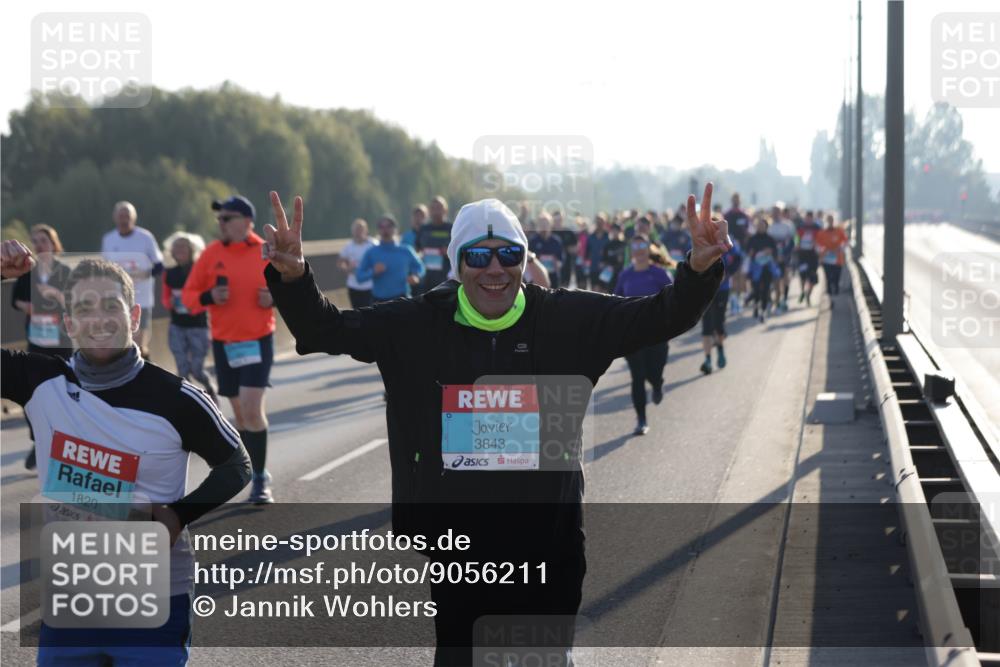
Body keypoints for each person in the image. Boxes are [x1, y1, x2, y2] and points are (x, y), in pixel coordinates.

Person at [262, 184, 729, 665]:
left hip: (548, 544)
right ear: (456, 263)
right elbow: (326, 329)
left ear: (524, 260)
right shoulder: (416, 323)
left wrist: (698, 269)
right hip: (460, 550)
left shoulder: (567, 318)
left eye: (509, 254)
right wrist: (295, 277)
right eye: (477, 256)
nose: (494, 269)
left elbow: (663, 315)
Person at [0, 242, 251, 667]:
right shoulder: (38, 381)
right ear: (68, 323)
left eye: (111, 307)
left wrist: (179, 514)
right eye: (84, 308)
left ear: (134, 317)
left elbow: (236, 464)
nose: (98, 319)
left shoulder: (179, 398)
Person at [182, 195, 276, 504]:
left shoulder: (265, 250)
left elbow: (292, 286)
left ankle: (260, 479)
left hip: (258, 339)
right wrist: (209, 296)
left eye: (226, 218)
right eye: (218, 219)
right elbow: (188, 297)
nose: (220, 223)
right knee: (239, 415)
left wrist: (275, 298)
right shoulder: (210, 254)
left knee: (252, 409)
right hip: (225, 344)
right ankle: (250, 470)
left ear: (246, 221)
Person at [12, 224, 73, 470]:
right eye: (34, 241)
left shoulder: (64, 271)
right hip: (37, 340)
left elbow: (74, 301)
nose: (39, 245)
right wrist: (30, 305)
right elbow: (15, 299)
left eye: (43, 240)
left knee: (63, 394)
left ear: (54, 244)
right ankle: (39, 441)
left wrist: (54, 298)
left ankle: (63, 446)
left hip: (61, 342)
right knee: (31, 393)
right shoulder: (28, 272)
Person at [613, 235, 673, 435]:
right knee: (637, 377)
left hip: (657, 334)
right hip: (633, 335)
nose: (638, 250)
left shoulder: (659, 274)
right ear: (631, 250)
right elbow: (616, 301)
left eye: (642, 245)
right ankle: (641, 419)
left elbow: (673, 300)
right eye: (634, 245)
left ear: (648, 249)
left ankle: (657, 384)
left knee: (653, 373)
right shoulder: (625, 275)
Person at [101, 201, 164, 359]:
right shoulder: (109, 239)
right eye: (121, 216)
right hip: (118, 299)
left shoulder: (145, 237)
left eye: (127, 216)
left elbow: (159, 265)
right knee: (123, 343)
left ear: (134, 218)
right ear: (115, 218)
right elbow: (104, 268)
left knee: (137, 343)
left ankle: (143, 371)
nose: (124, 219)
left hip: (142, 299)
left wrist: (144, 274)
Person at [162, 231, 217, 404]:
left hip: (198, 326)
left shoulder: (200, 270)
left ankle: (209, 389)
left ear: (192, 249)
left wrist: (194, 304)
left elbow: (209, 295)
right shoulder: (169, 273)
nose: (179, 250)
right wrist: (170, 302)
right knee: (183, 370)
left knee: (196, 369)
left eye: (183, 247)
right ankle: (190, 404)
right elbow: (164, 298)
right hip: (177, 326)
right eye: (176, 247)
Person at [355, 216, 425, 301]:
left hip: (401, 299)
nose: (385, 230)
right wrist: (373, 271)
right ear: (378, 230)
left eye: (389, 226)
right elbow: (359, 277)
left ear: (396, 229)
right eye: (382, 227)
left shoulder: (406, 250)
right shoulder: (371, 252)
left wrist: (416, 276)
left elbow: (420, 267)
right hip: (379, 301)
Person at [699, 242, 744, 375]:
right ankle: (707, 360)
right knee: (706, 326)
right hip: (704, 290)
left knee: (718, 323)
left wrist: (729, 272)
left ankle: (720, 349)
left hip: (722, 288)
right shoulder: (699, 241)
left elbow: (738, 258)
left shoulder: (727, 241)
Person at [745, 218, 780, 323]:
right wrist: (754, 253)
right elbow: (748, 252)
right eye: (758, 225)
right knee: (756, 290)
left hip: (767, 268)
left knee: (765, 289)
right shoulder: (752, 239)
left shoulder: (770, 239)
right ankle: (755, 307)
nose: (760, 227)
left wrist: (770, 252)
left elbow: (775, 253)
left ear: (766, 227)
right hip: (755, 268)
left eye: (762, 226)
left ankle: (763, 312)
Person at [415, 195, 452, 294]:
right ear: (429, 211)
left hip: (446, 278)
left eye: (439, 208)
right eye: (433, 208)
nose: (436, 211)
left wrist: (449, 253)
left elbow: (460, 253)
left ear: (445, 210)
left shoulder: (452, 228)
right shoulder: (423, 229)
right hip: (426, 278)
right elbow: (416, 250)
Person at [338, 218, 376, 308]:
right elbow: (340, 262)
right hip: (353, 286)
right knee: (356, 313)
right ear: (352, 231)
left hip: (370, 286)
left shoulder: (373, 244)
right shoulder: (348, 246)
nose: (358, 232)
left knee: (371, 313)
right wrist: (347, 268)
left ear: (366, 230)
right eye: (356, 229)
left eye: (361, 229)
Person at [767, 208, 796, 312]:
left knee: (785, 278)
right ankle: (777, 301)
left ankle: (785, 299)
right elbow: (769, 244)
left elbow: (793, 241)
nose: (775, 215)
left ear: (780, 213)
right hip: (774, 257)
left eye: (776, 213)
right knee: (776, 280)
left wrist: (785, 254)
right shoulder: (770, 227)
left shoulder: (788, 225)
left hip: (786, 256)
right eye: (773, 213)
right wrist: (775, 255)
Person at [816, 214, 849, 306]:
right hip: (826, 260)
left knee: (836, 279)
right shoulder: (822, 233)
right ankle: (831, 300)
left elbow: (845, 242)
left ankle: (835, 295)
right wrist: (825, 250)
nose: (830, 222)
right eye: (829, 220)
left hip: (838, 260)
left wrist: (839, 248)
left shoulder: (839, 231)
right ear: (826, 221)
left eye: (832, 220)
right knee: (828, 279)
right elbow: (818, 245)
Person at [529, 212, 565, 289]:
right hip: (537, 278)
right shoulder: (533, 241)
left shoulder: (557, 241)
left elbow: (561, 259)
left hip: (553, 278)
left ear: (551, 225)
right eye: (542, 224)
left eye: (546, 224)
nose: (544, 227)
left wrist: (557, 264)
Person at [795, 210, 822, 306]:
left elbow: (821, 239)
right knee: (802, 275)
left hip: (813, 255)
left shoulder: (817, 228)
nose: (808, 220)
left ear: (812, 218)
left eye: (810, 218)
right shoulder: (800, 227)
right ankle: (803, 291)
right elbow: (796, 237)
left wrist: (817, 246)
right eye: (807, 218)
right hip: (802, 255)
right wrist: (797, 244)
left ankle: (808, 294)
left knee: (813, 277)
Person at [595, 222, 626, 293]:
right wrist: (604, 265)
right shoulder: (608, 245)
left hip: (620, 275)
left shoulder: (624, 245)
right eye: (613, 230)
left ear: (620, 231)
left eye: (616, 230)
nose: (614, 232)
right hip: (608, 275)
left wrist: (615, 268)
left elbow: (625, 261)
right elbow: (603, 260)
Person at [585, 213, 610, 291]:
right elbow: (587, 254)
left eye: (601, 222)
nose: (599, 224)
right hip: (593, 268)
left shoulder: (609, 237)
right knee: (594, 292)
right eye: (597, 222)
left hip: (606, 270)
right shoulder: (590, 237)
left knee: (605, 292)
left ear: (605, 223)